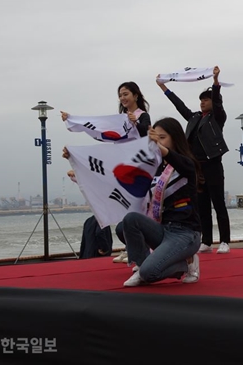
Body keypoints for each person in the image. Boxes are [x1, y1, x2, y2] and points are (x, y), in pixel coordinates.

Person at [61, 81, 151, 264]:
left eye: (126, 94)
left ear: (136, 95)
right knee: (123, 205)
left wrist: (137, 123)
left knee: (137, 207)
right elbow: (102, 132)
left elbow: (147, 136)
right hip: (119, 163)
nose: (123, 98)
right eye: (120, 95)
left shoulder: (142, 115)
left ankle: (141, 248)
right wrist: (73, 120)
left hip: (136, 165)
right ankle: (130, 247)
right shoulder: (120, 120)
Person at [121, 117, 202, 287]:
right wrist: (81, 171)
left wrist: (156, 144)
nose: (158, 141)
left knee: (150, 274)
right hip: (163, 229)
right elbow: (125, 177)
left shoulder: (187, 164)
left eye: (162, 137)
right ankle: (141, 265)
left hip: (185, 233)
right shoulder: (156, 168)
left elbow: (175, 159)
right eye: (156, 138)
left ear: (175, 138)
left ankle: (185, 263)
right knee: (130, 220)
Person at [158, 66, 231, 254]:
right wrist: (164, 88)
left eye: (205, 100)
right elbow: (179, 105)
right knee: (201, 204)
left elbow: (218, 103)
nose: (202, 103)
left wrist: (216, 83)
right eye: (201, 100)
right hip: (196, 167)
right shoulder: (194, 118)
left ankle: (224, 241)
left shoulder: (217, 118)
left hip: (213, 164)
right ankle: (206, 240)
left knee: (218, 203)